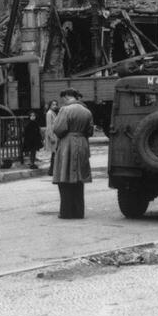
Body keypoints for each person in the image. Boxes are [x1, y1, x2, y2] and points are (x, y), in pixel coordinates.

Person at [50, 89, 94, 219]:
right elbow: (90, 131)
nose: (62, 101)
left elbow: (58, 129)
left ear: (67, 96)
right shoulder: (87, 111)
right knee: (79, 179)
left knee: (64, 178)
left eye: (63, 98)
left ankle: (66, 212)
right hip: (82, 144)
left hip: (68, 145)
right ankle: (79, 211)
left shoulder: (65, 110)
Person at [43, 100, 60, 168]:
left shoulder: (53, 113)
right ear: (50, 105)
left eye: (56, 104)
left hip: (54, 134)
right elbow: (49, 126)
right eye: (53, 104)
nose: (55, 106)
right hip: (52, 135)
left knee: (55, 153)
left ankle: (53, 169)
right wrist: (51, 137)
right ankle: (52, 170)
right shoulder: (49, 113)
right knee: (54, 152)